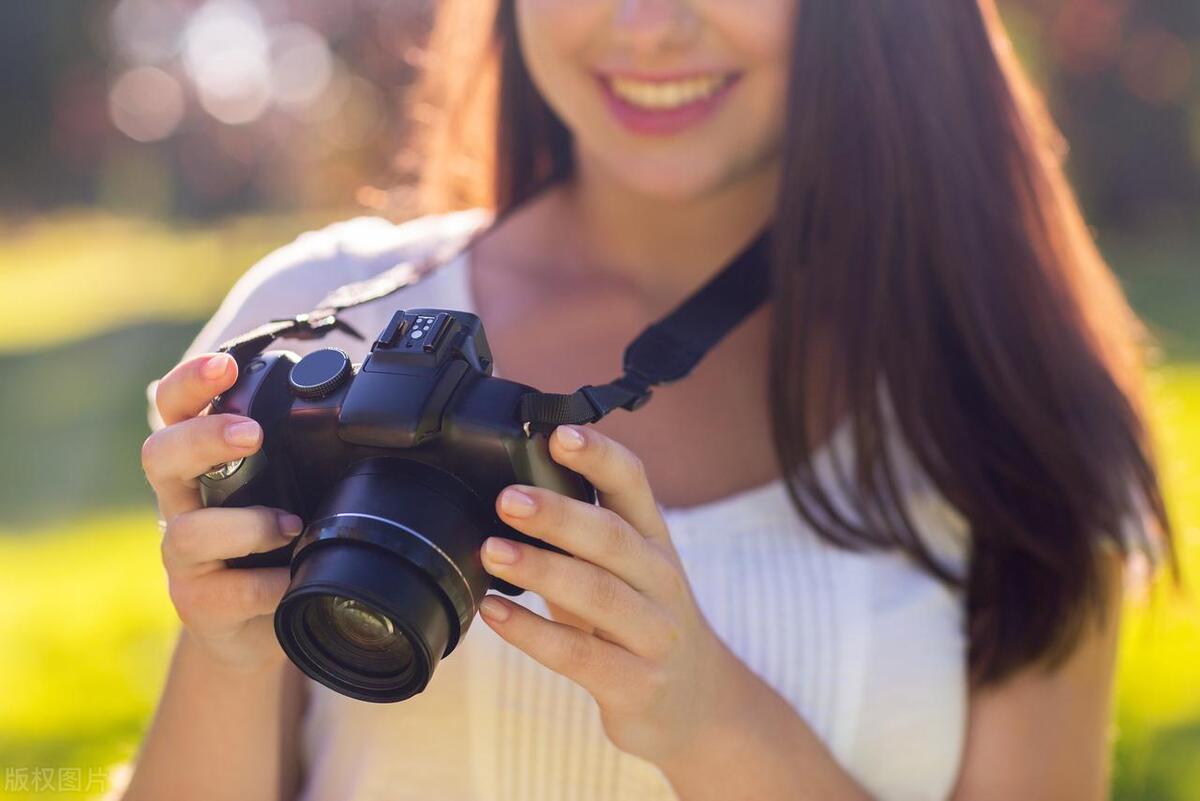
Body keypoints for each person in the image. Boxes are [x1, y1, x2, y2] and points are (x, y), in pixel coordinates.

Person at [126, 1, 1172, 799]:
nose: (649, 26)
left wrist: (709, 721)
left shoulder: (1010, 402)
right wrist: (229, 654)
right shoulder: (315, 319)